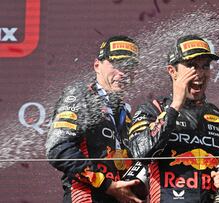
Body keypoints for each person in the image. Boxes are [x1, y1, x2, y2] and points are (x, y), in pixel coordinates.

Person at [128, 34, 219, 202]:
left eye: (205, 66)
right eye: (191, 66)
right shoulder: (152, 110)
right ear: (172, 71)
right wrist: (175, 106)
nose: (200, 73)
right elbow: (139, 153)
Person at [45, 35, 145, 203]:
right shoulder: (81, 95)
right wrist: (106, 185)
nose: (123, 72)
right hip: (86, 198)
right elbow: (58, 148)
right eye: (117, 64)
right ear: (97, 65)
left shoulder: (123, 112)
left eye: (130, 66)